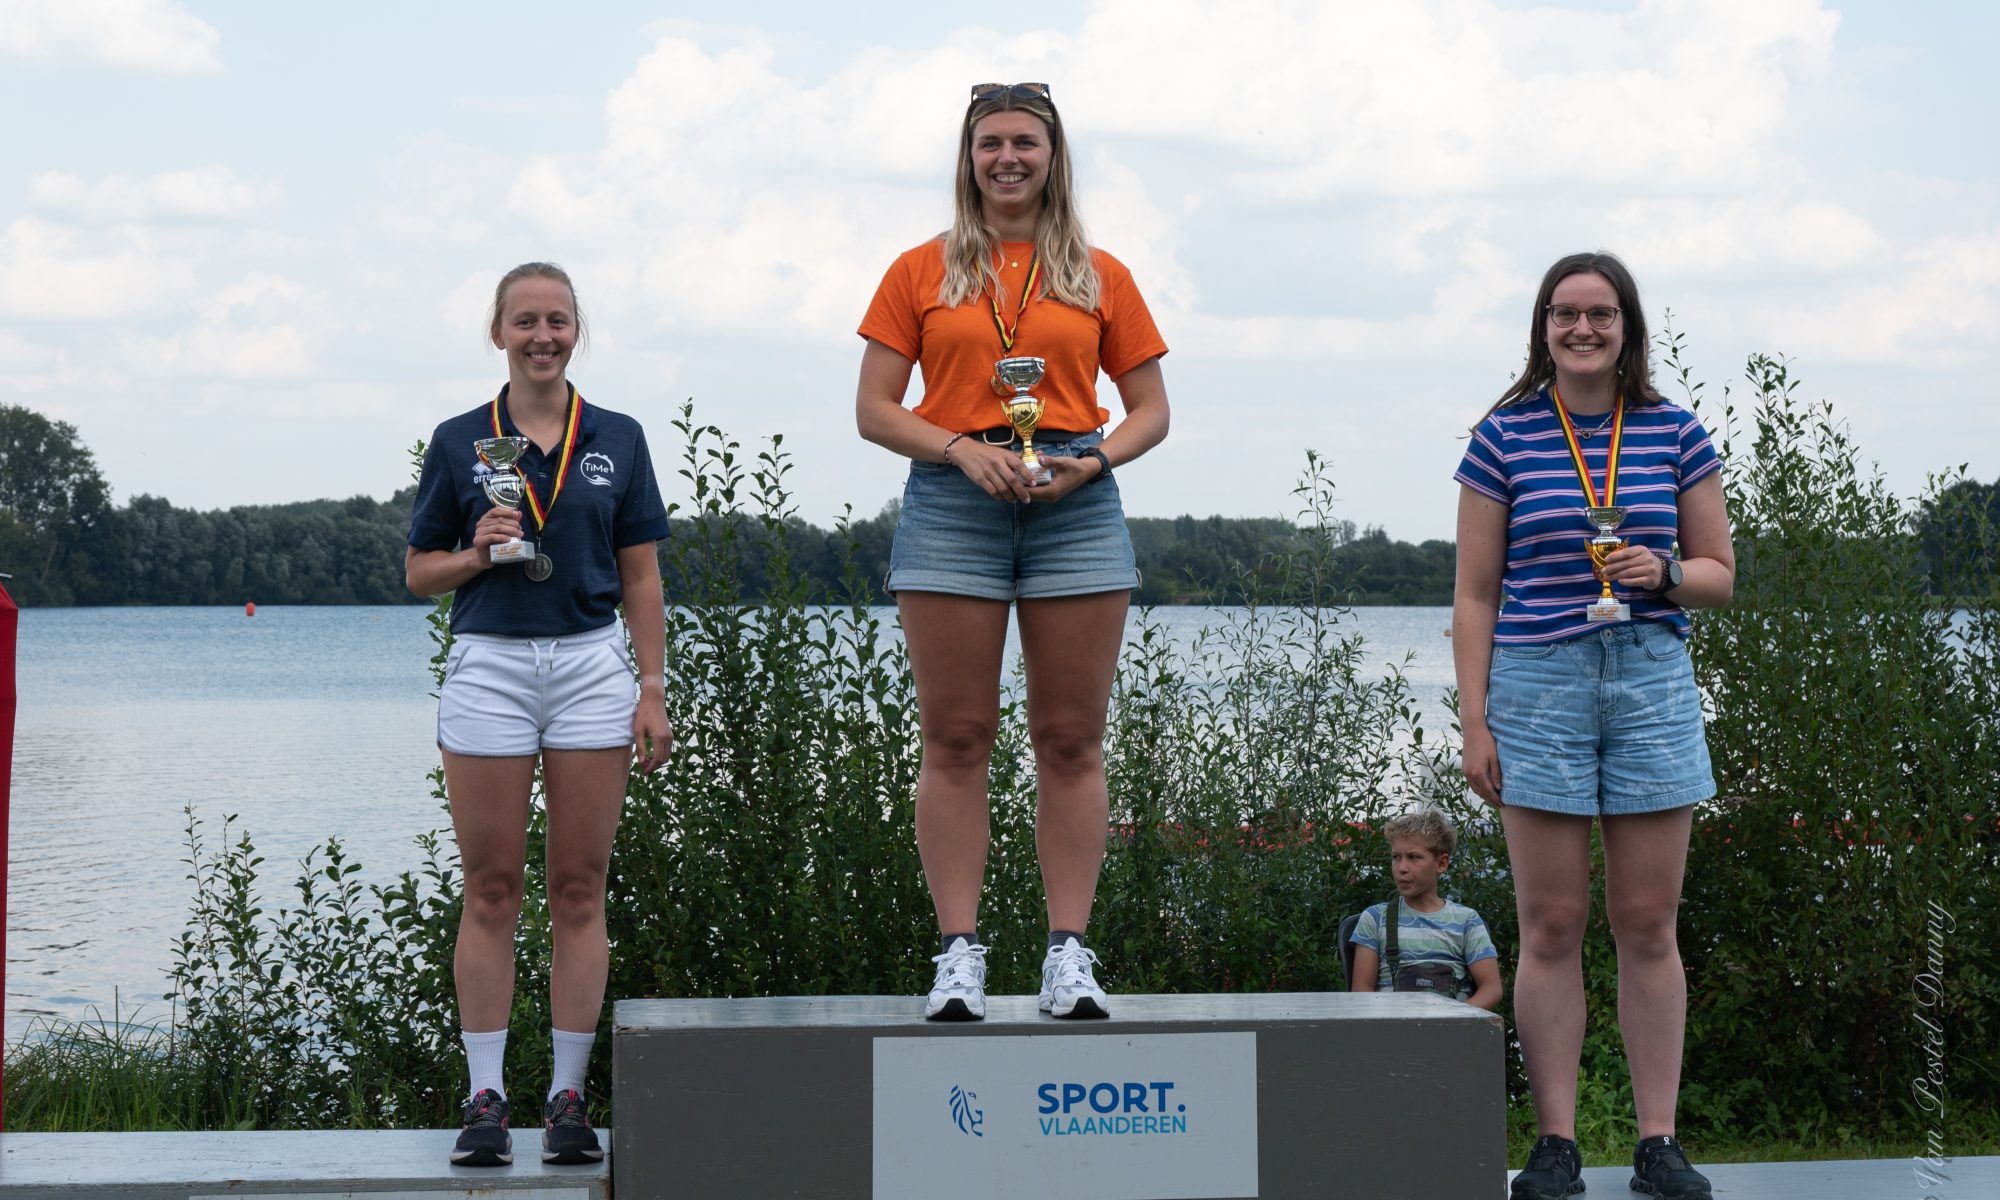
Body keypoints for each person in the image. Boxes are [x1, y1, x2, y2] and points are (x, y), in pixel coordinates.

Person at [854, 82, 1171, 1022]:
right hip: (955, 500)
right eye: (990, 143)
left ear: (1052, 157)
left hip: (1074, 497)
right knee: (957, 739)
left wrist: (1092, 461)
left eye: (1025, 143)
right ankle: (959, 956)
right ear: (969, 158)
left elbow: (1151, 409)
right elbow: (875, 409)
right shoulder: (920, 270)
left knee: (1069, 741)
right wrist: (958, 448)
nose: (1007, 159)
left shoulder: (1100, 273)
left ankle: (1068, 956)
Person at [1452, 251, 1734, 1200]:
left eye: (1601, 314)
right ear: (1542, 329)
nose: (1583, 329)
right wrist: (1474, 721)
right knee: (1551, 924)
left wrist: (1663, 571)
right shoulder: (1501, 437)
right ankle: (1557, 1143)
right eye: (1565, 315)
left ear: (1627, 328)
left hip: (1650, 679)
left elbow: (1719, 575)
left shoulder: (1676, 433)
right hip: (1536, 685)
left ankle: (1658, 1143)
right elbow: (1474, 592)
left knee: (1648, 923)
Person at [406, 262, 671, 1167]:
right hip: (489, 668)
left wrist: (652, 687)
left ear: (575, 331)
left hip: (593, 667)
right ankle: (485, 1099)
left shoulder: (618, 437)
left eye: (558, 320)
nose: (543, 336)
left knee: (577, 890)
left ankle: (566, 1098)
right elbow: (418, 574)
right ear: (499, 333)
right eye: (526, 321)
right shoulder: (457, 441)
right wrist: (474, 553)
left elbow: (642, 576)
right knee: (491, 890)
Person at [1347, 809, 1503, 1010]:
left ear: (1441, 863)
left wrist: (1455, 1021)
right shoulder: (1375, 919)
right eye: (1396, 857)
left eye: (1413, 857)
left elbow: (1491, 988)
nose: (1402, 867)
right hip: (1391, 1035)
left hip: (1451, 1036)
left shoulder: (1467, 921)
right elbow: (1361, 993)